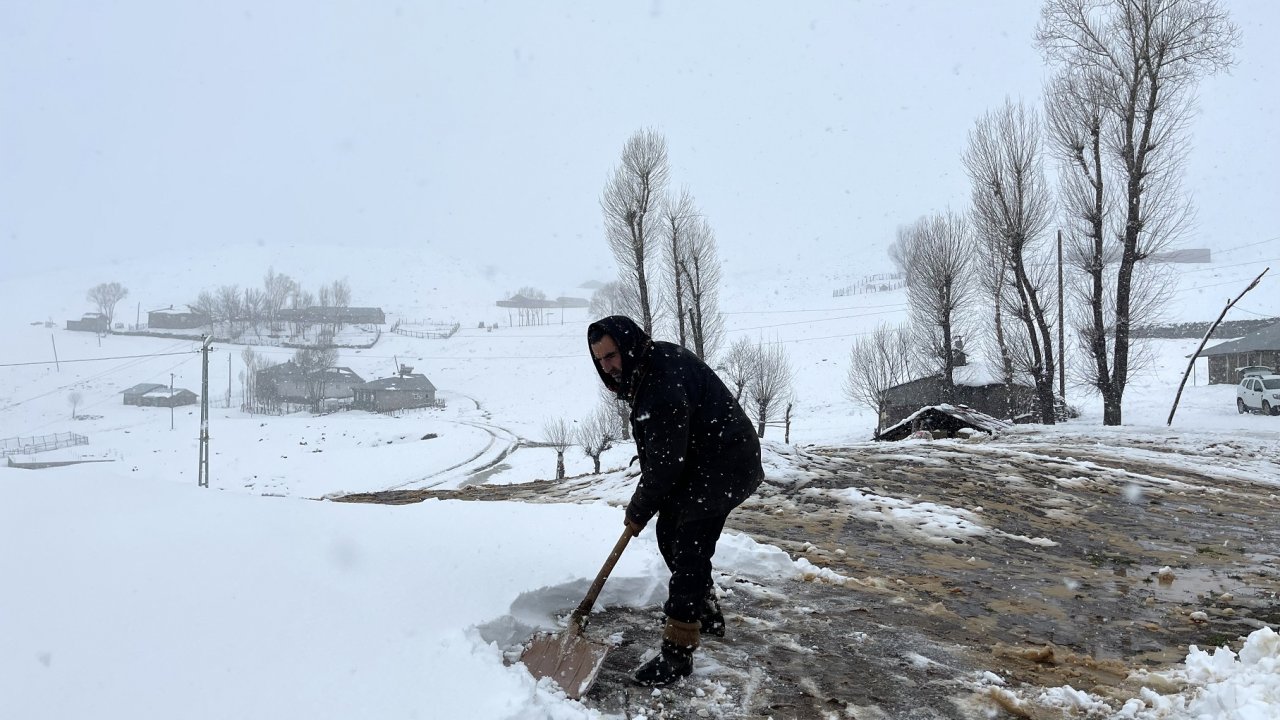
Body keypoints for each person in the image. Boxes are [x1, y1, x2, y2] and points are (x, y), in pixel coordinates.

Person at [587, 315, 764, 687]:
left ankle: (677, 656)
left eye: (612, 355)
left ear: (628, 344)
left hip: (725, 463)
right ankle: (705, 607)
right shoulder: (647, 368)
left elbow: (665, 465)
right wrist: (649, 503)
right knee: (670, 530)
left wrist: (638, 508)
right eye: (600, 360)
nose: (609, 366)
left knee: (689, 550)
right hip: (702, 460)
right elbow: (664, 456)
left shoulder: (659, 382)